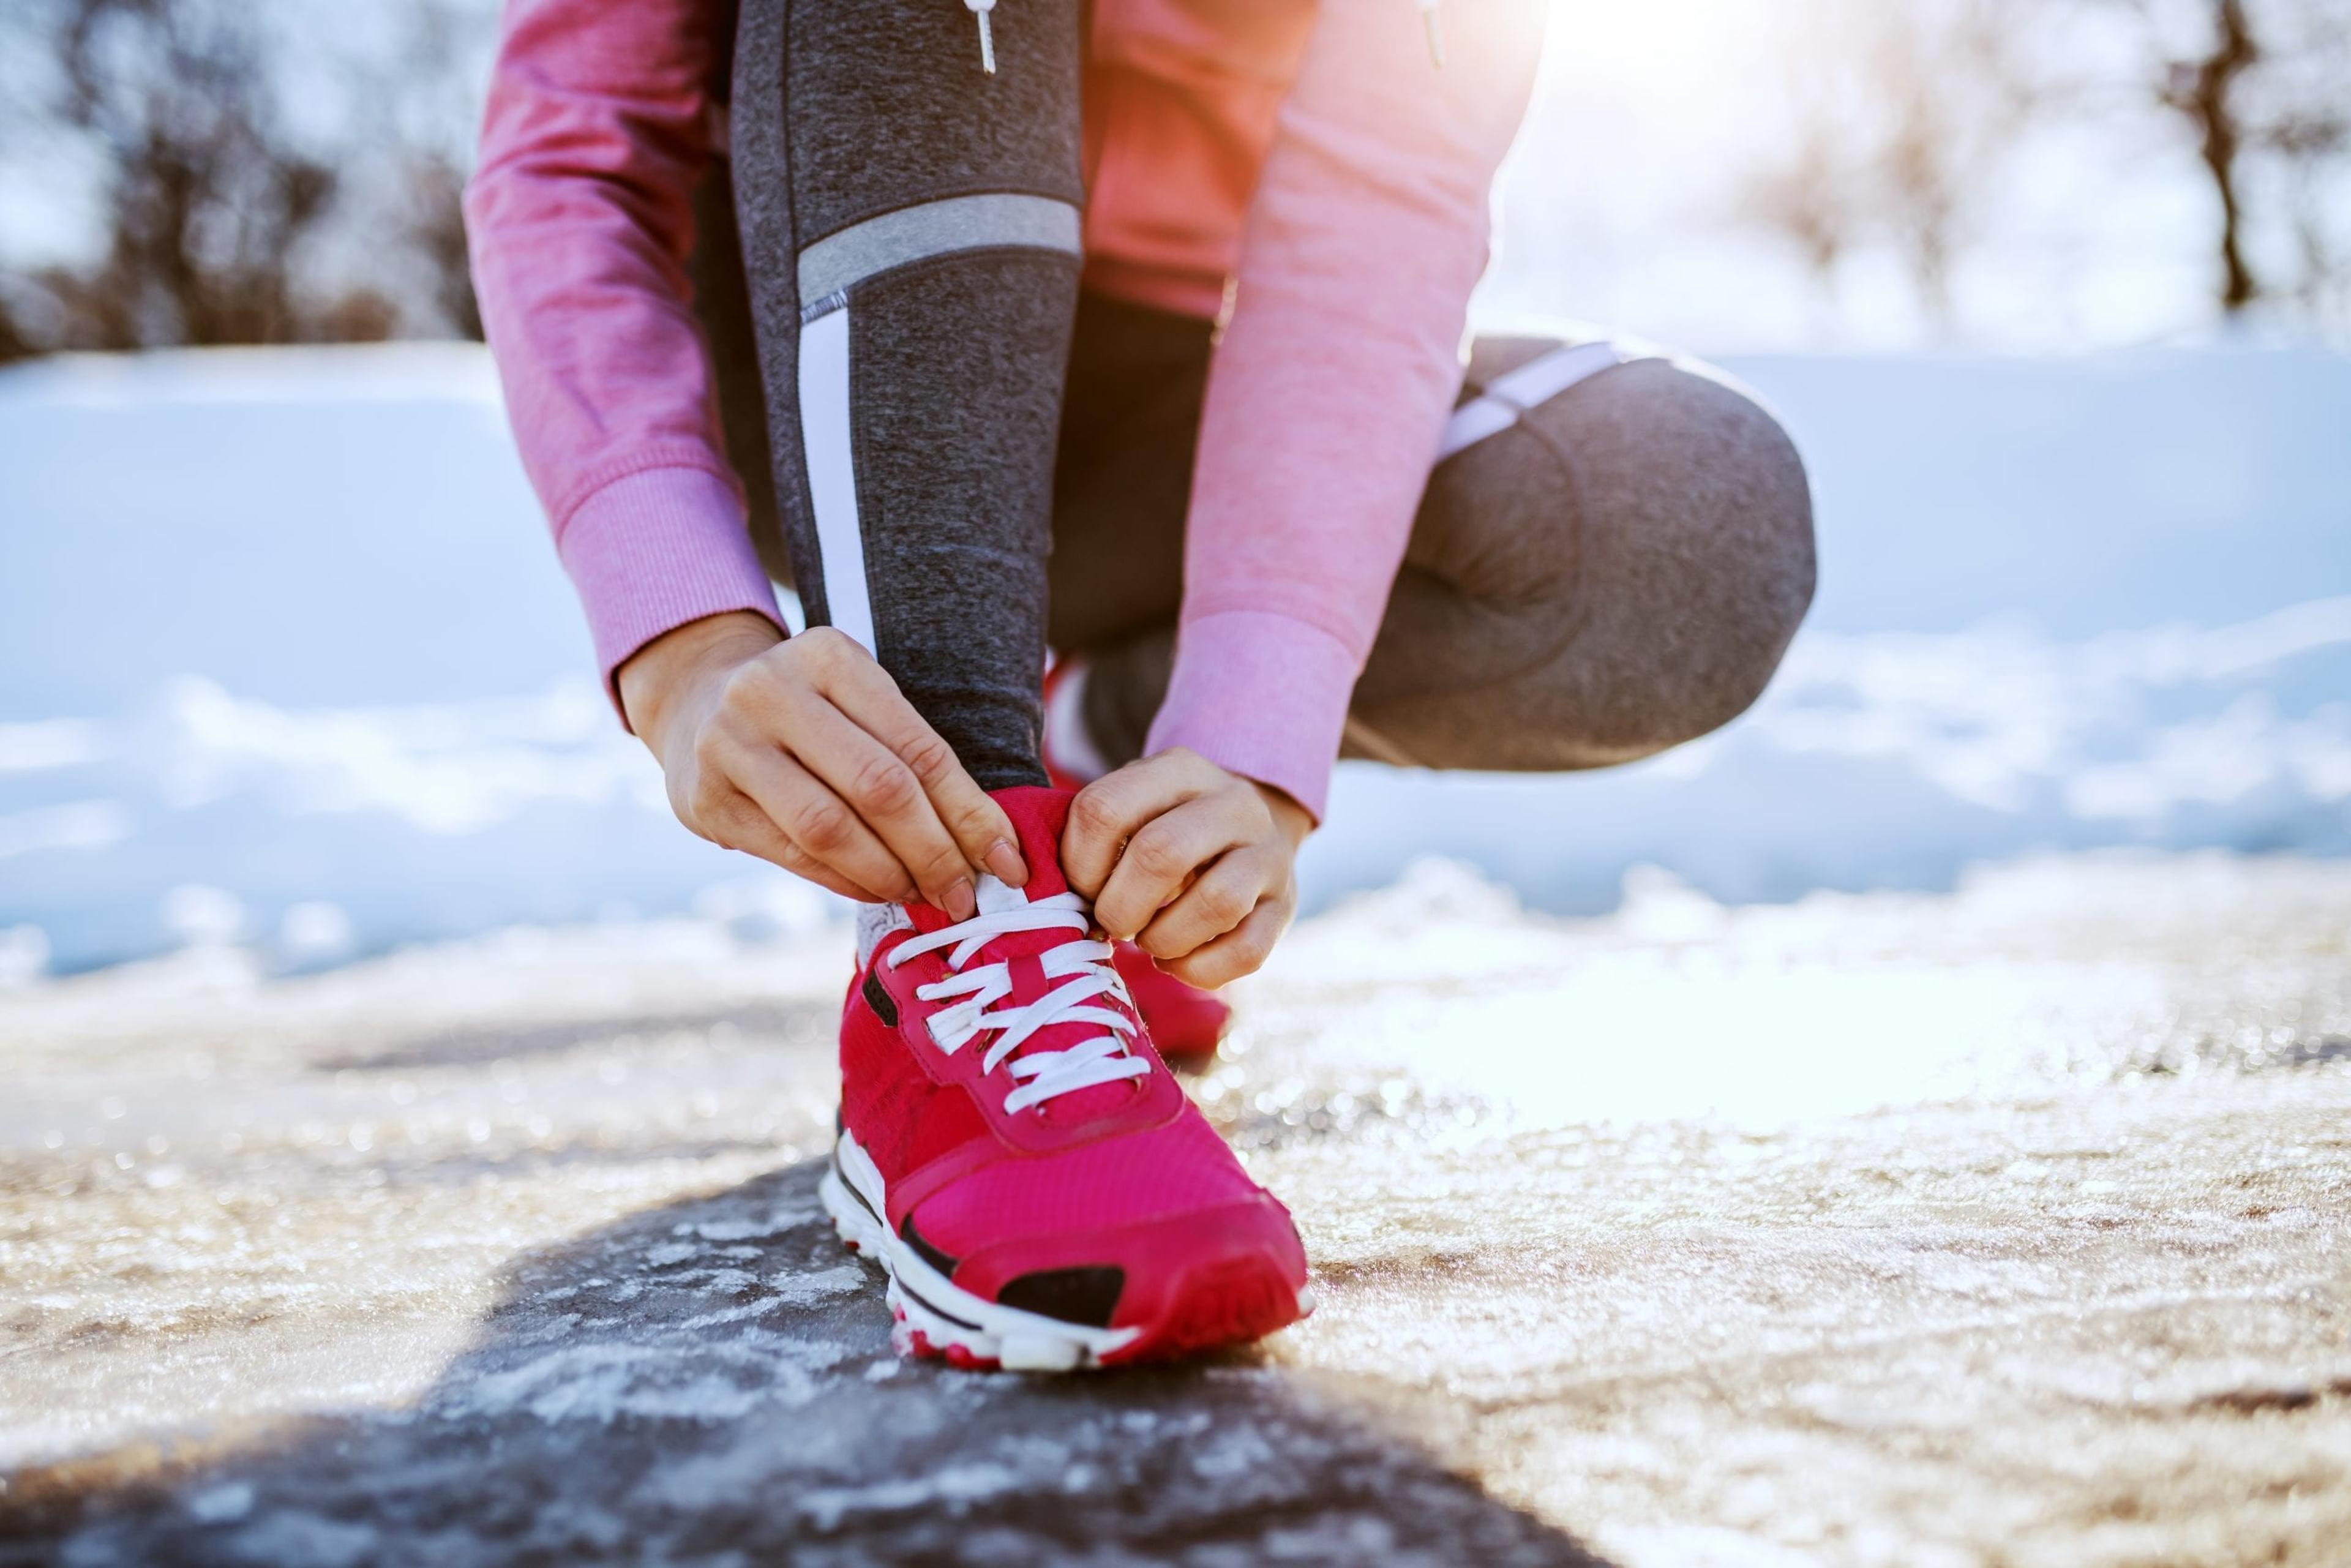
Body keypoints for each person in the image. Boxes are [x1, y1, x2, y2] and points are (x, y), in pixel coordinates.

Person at [467, 0, 1815, 1368]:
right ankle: (965, 928)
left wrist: (1250, 741)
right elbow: (574, 149)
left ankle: (1093, 775)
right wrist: (678, 631)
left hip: (1172, 396)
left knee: (1687, 522)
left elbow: (1377, 215)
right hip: (822, 316)